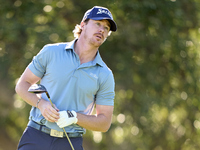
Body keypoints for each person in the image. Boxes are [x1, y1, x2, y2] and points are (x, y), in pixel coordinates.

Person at [15, 5, 117, 150]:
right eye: (98, 23)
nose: (102, 29)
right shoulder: (51, 52)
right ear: (83, 25)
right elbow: (22, 85)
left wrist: (74, 117)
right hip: (36, 135)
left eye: (106, 28)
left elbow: (104, 122)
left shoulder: (105, 75)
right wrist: (41, 104)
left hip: (69, 142)